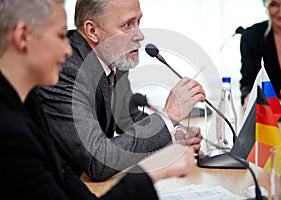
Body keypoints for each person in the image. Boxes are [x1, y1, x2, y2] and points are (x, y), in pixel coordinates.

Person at [0, 0, 197, 199]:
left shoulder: (114, 58)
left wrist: (172, 132)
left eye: (138, 22)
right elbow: (98, 160)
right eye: (127, 25)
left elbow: (128, 120)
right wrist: (166, 121)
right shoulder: (65, 71)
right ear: (92, 31)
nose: (140, 35)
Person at [240, 0, 281, 108]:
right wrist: (248, 97)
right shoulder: (251, 37)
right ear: (265, 4)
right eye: (273, 5)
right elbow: (247, 84)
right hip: (265, 115)